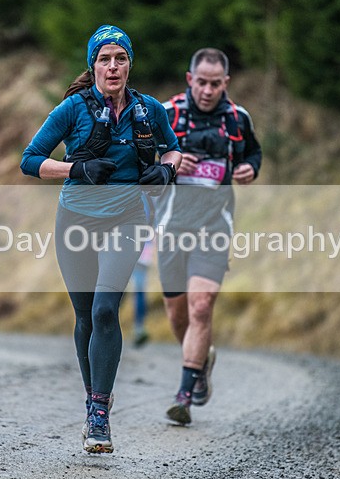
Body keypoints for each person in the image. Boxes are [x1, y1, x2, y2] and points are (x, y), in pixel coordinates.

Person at [20, 24, 182, 453]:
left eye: (121, 58)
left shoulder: (149, 109)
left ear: (131, 64)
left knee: (107, 309)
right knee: (87, 315)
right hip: (76, 220)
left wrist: (167, 169)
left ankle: (98, 411)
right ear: (93, 65)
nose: (113, 66)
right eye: (105, 59)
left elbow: (173, 147)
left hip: (128, 218)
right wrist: (76, 169)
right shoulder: (72, 109)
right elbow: (30, 160)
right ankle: (94, 398)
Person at [155, 48, 262, 425]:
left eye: (215, 84)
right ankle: (201, 362)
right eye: (201, 82)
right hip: (170, 227)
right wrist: (168, 161)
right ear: (190, 80)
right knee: (178, 312)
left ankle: (183, 396)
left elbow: (253, 152)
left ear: (226, 84)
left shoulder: (237, 118)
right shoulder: (165, 115)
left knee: (202, 306)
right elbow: (139, 159)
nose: (207, 90)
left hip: (214, 226)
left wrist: (249, 167)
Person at [129, 237, 155, 347]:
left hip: (134, 253)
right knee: (139, 292)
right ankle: (138, 327)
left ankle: (138, 328)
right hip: (142, 253)